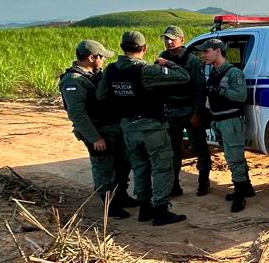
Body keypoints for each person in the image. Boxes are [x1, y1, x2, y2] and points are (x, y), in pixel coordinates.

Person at [96, 30, 191, 226]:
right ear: (144, 48)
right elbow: (183, 77)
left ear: (122, 48)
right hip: (151, 126)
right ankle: (161, 210)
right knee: (162, 167)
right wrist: (168, 63)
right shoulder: (146, 70)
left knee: (140, 167)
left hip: (128, 128)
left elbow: (101, 96)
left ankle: (144, 208)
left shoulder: (111, 70)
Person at [59, 39, 137, 219]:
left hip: (112, 127)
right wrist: (94, 138)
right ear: (91, 57)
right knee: (104, 169)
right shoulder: (73, 80)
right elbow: (77, 114)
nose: (103, 60)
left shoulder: (94, 74)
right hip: (98, 131)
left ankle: (121, 196)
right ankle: (109, 204)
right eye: (101, 57)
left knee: (122, 164)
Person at [200, 38, 253, 212]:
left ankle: (239, 195)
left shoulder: (233, 73)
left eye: (206, 51)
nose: (203, 55)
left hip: (231, 121)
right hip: (219, 120)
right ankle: (246, 187)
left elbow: (241, 96)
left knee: (234, 158)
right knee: (232, 155)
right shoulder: (215, 72)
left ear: (217, 50)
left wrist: (220, 90)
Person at [159, 25, 212, 197]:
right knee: (173, 151)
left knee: (199, 148)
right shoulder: (162, 57)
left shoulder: (192, 60)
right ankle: (174, 185)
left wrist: (197, 113)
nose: (168, 41)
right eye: (166, 38)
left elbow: (199, 88)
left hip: (190, 111)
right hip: (171, 111)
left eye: (172, 38)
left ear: (181, 40)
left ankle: (203, 182)